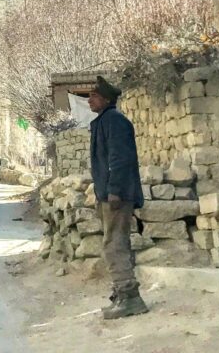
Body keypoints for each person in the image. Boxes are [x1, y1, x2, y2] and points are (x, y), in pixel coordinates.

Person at [88, 76, 148, 320]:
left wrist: (114, 190)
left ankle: (129, 297)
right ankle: (121, 294)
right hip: (110, 194)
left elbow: (119, 159)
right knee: (115, 243)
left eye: (93, 96)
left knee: (114, 245)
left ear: (106, 99)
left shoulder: (115, 121)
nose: (89, 100)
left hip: (118, 196)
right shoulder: (105, 121)